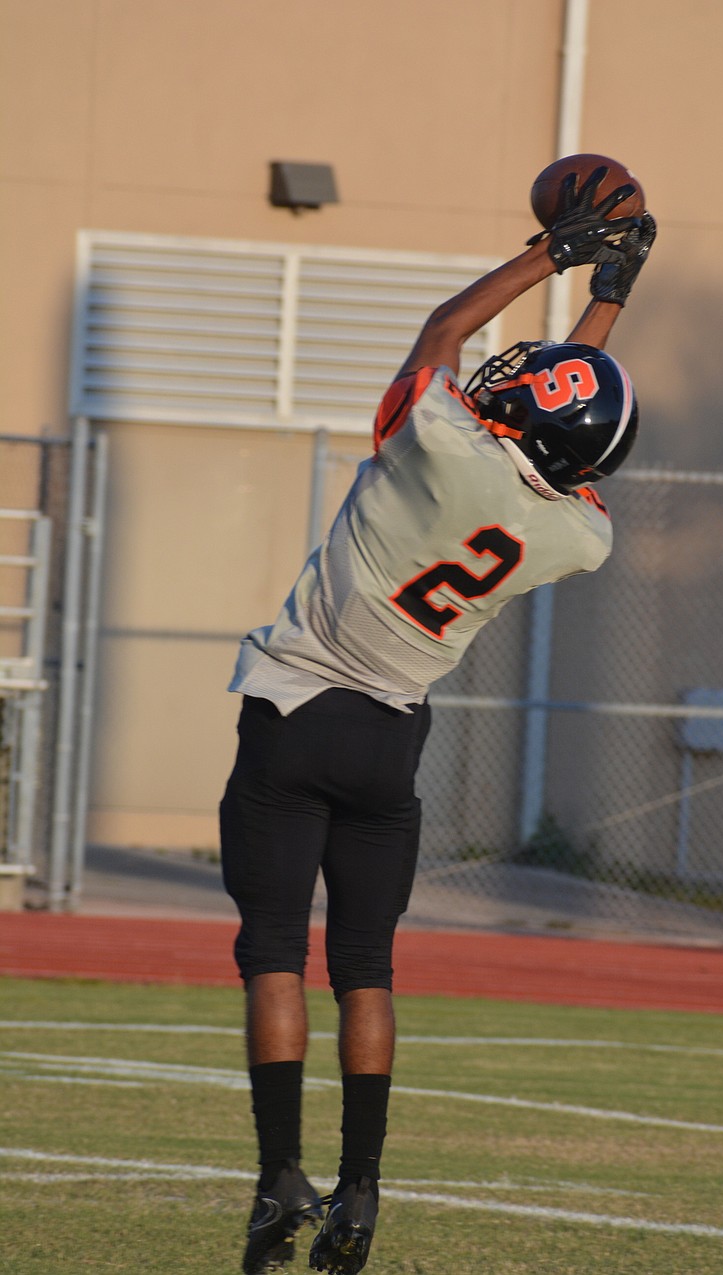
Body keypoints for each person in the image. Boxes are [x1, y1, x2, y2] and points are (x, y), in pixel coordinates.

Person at [219, 168, 656, 1275]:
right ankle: (362, 1191)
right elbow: (575, 416)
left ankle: (280, 1175)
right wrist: (614, 292)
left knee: (274, 953)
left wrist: (557, 255)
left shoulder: (437, 440)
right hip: (389, 744)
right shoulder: (576, 535)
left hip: (295, 703)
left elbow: (443, 333)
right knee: (366, 965)